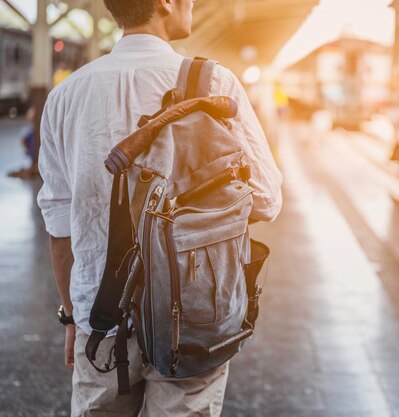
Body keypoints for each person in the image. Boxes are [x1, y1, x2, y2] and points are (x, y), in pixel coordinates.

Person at [36, 0, 283, 415]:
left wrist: (72, 319)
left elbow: (59, 225)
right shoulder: (213, 84)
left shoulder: (64, 95)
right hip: (193, 316)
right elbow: (265, 200)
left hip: (101, 321)